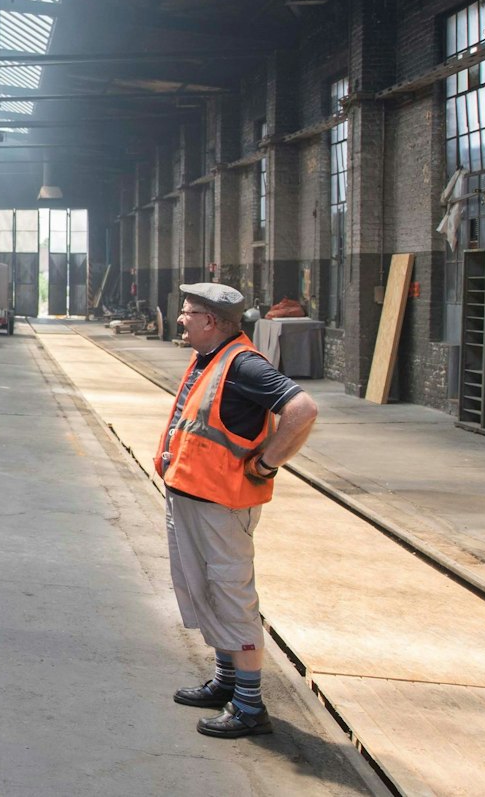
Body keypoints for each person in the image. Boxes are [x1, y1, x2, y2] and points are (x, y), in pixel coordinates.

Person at [157, 282, 319, 738]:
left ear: (210, 321)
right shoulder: (209, 358)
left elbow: (303, 409)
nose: (180, 318)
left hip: (222, 507)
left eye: (187, 312)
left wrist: (268, 463)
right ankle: (226, 682)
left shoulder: (244, 364)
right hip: (192, 496)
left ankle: (249, 706)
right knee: (206, 590)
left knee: (231, 596)